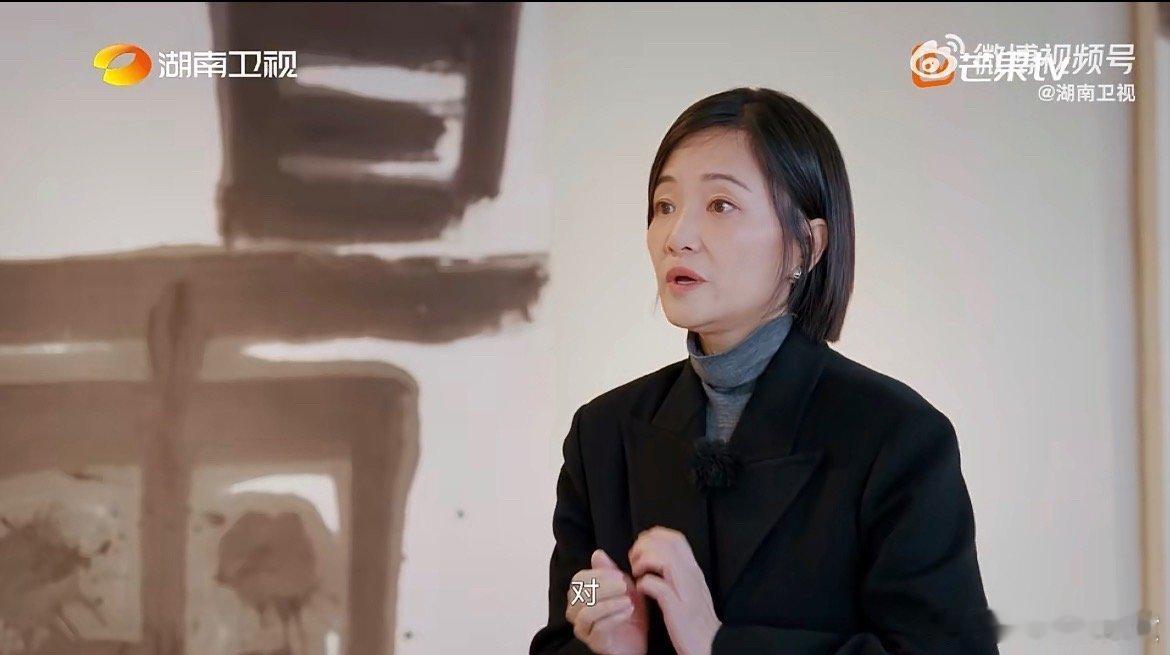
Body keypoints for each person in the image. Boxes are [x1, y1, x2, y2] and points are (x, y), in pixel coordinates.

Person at [529, 87, 1000, 655]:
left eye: (720, 205)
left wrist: (718, 644)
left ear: (807, 245)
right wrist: (601, 631)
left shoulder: (897, 437)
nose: (678, 237)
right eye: (665, 206)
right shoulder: (601, 433)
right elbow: (572, 602)